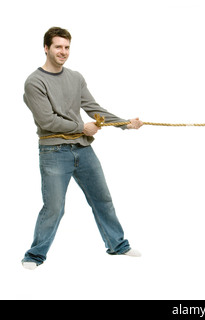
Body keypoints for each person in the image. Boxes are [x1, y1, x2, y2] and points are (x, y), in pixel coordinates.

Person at [22, 27, 143, 270]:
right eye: (58, 47)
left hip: (83, 149)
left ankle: (117, 245)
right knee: (54, 207)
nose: (63, 52)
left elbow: (93, 108)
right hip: (54, 152)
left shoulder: (76, 77)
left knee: (103, 199)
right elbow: (47, 121)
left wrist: (124, 124)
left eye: (66, 47)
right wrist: (81, 128)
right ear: (46, 48)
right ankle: (34, 256)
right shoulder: (34, 82)